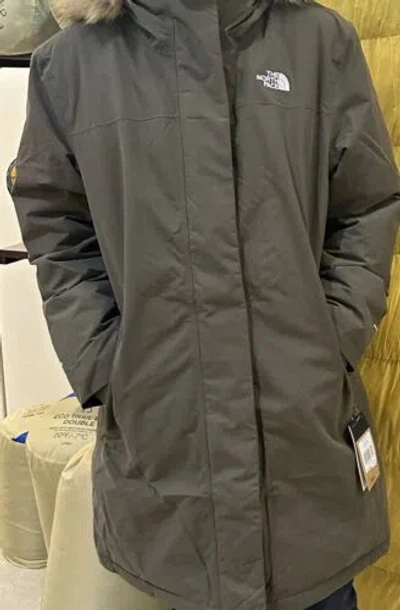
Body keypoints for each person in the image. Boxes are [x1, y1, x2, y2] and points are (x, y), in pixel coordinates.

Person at [7, 0, 400, 609]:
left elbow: (366, 204)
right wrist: (104, 361)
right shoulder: (71, 64)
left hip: (303, 445)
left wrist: (333, 338)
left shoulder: (321, 42)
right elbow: (56, 222)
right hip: (166, 444)